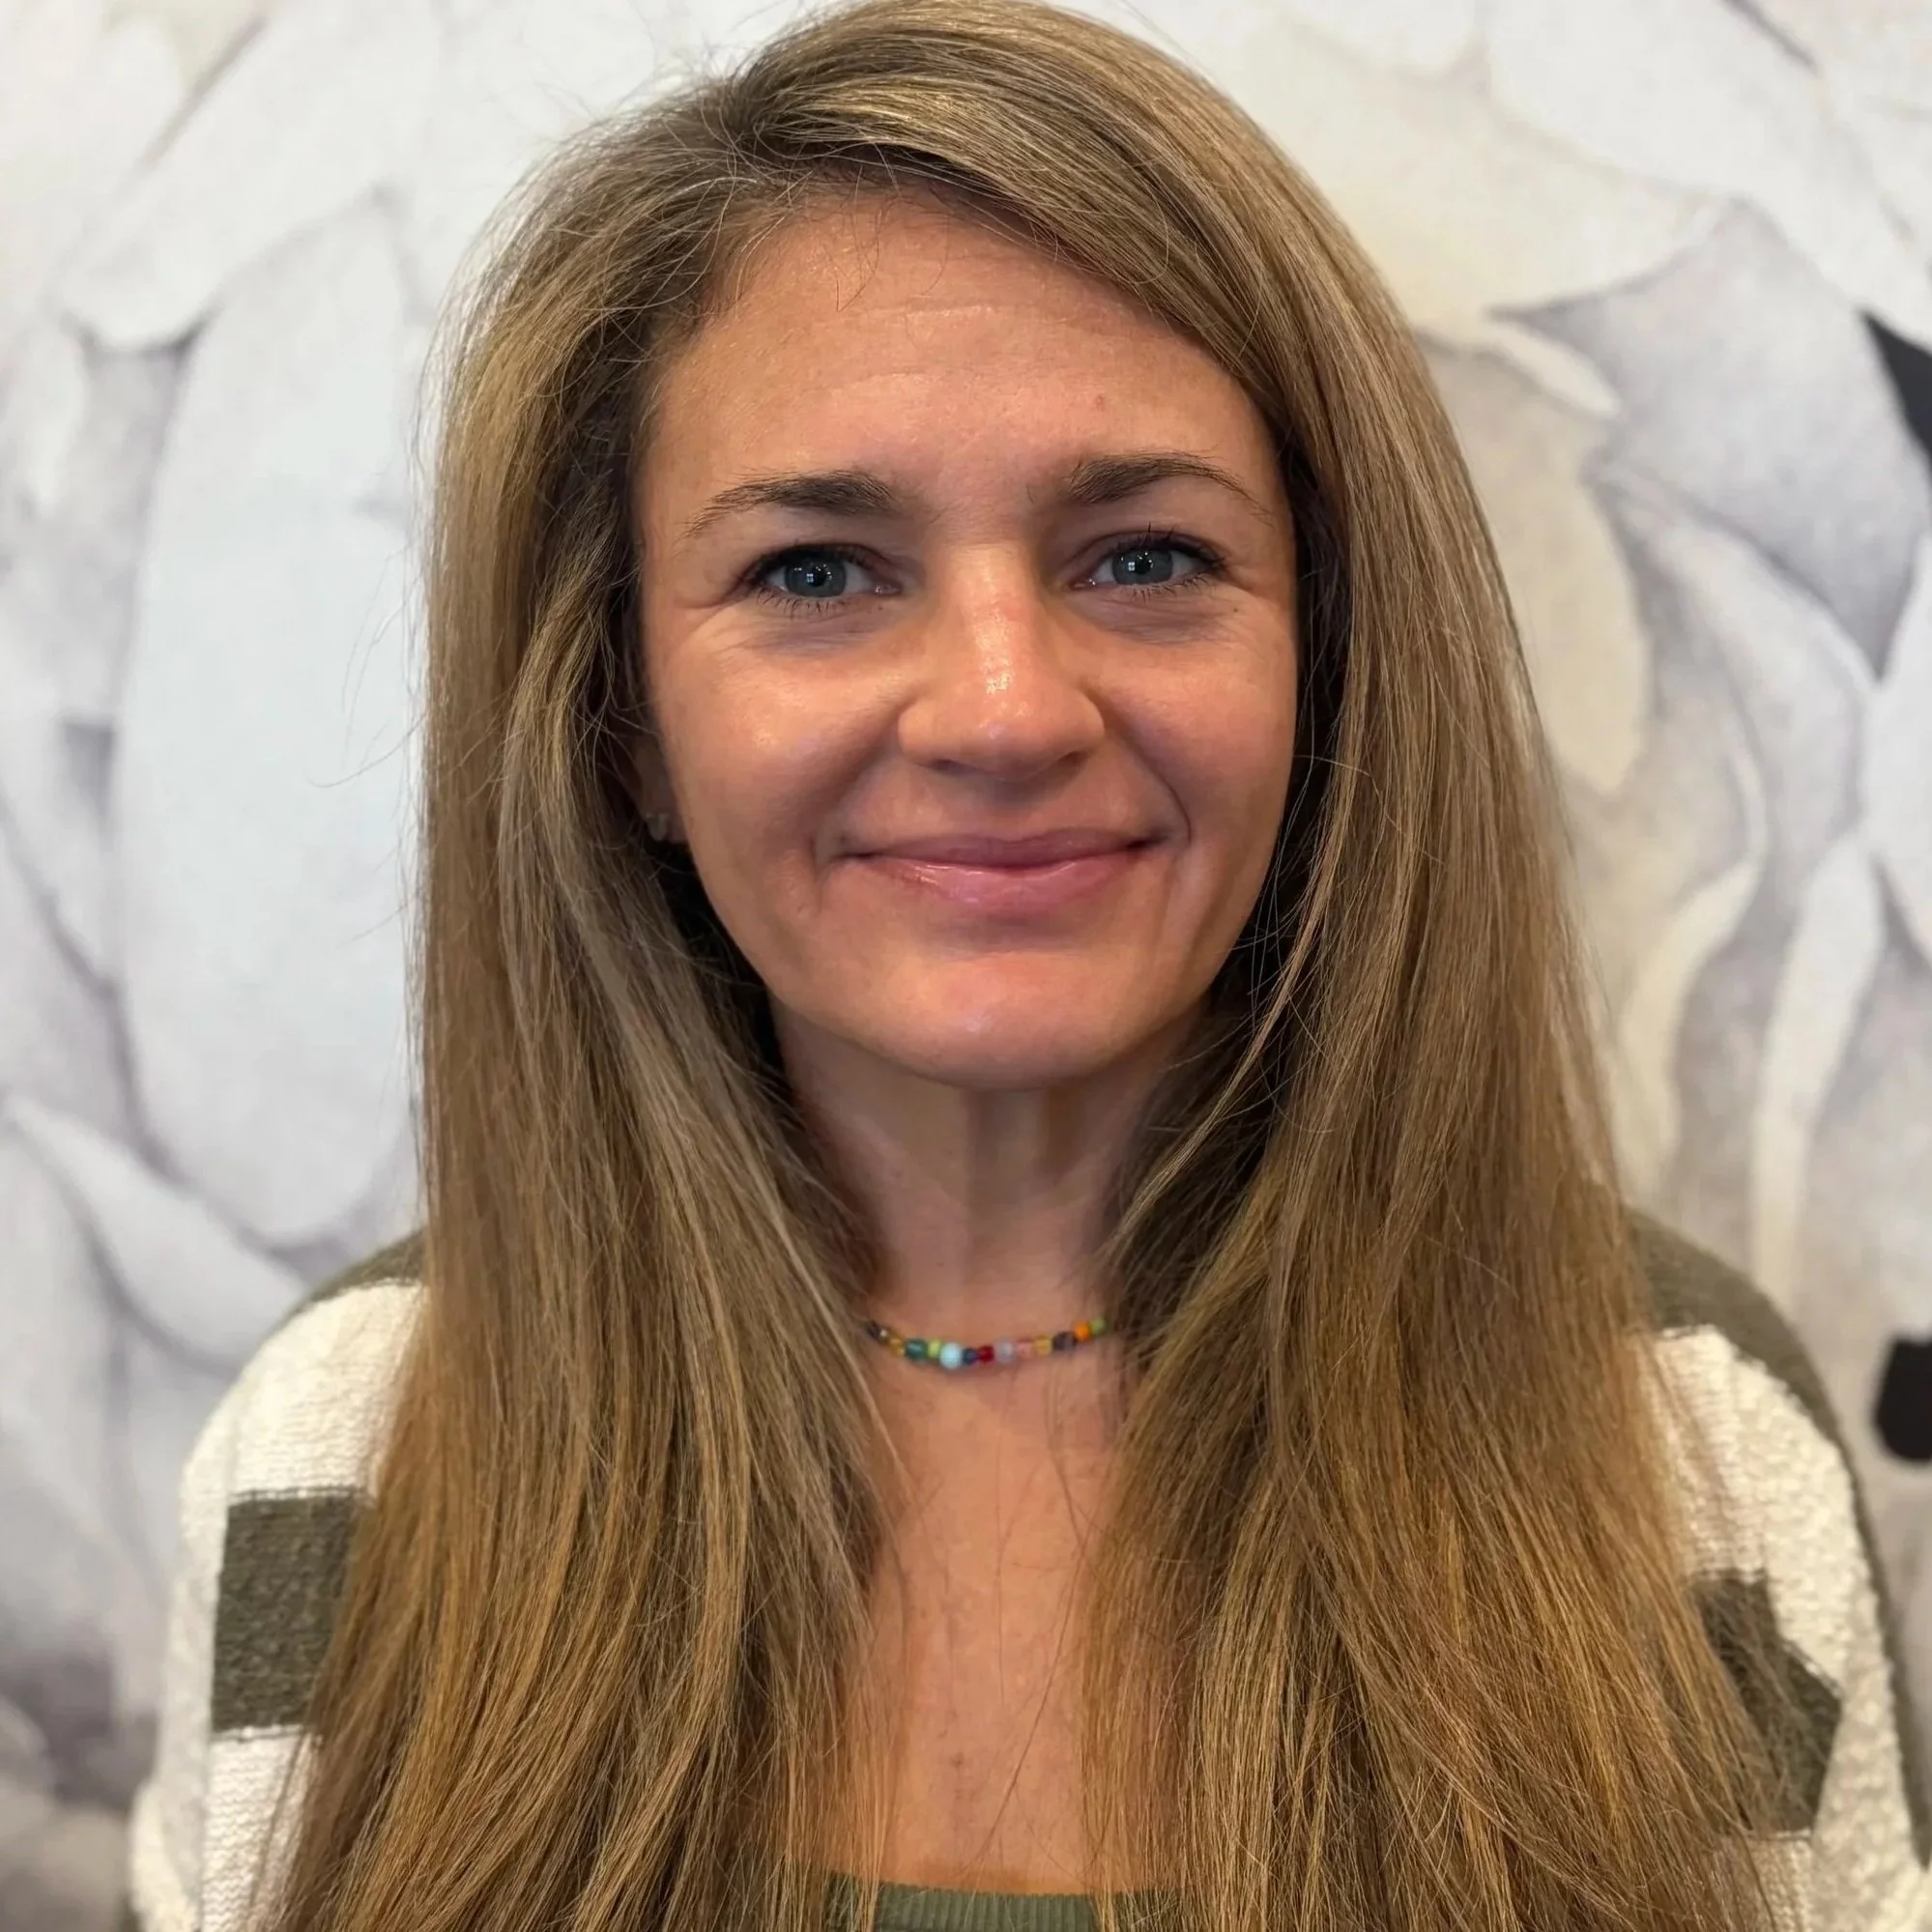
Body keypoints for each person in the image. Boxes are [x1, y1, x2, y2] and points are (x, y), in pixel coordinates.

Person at [126, 2, 1930, 1928]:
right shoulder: (351, 1455)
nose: (1002, 709)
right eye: (818, 571)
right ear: (623, 724)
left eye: (1144, 556)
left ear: (1324, 661)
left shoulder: (1679, 1449)